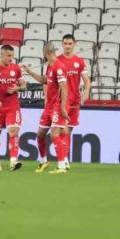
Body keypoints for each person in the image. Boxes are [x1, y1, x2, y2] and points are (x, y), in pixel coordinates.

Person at [21, 43, 72, 173]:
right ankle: (43, 161)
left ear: (45, 53)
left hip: (57, 105)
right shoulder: (50, 66)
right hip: (49, 105)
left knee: (55, 134)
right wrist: (29, 72)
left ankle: (62, 166)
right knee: (40, 134)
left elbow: (64, 88)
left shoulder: (59, 67)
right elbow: (44, 80)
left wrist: (63, 108)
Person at [57, 34, 91, 168]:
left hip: (75, 100)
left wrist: (86, 91)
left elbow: (86, 80)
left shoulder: (79, 62)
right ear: (62, 44)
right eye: (65, 43)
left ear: (74, 45)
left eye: (70, 44)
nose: (67, 46)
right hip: (63, 100)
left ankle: (64, 157)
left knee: (68, 130)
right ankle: (64, 159)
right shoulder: (57, 61)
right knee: (63, 130)